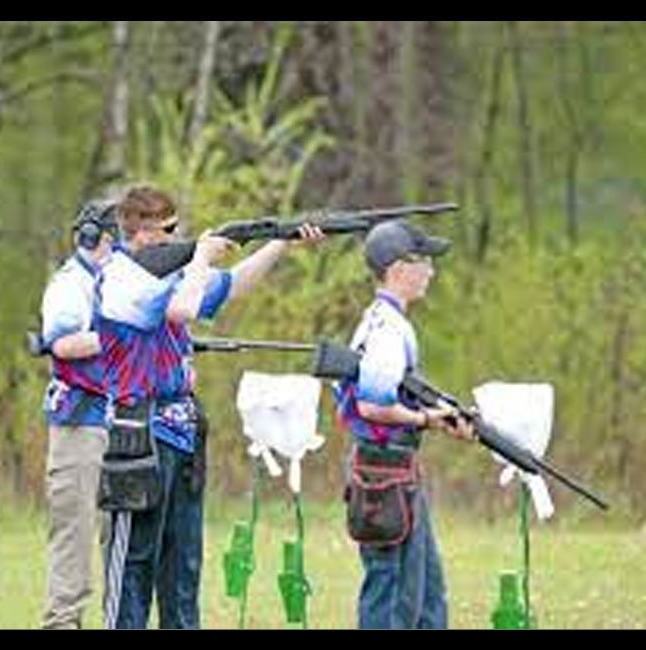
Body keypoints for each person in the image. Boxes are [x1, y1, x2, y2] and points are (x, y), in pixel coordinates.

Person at [97, 184, 323, 629]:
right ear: (140, 233)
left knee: (183, 569)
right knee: (133, 571)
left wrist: (280, 241)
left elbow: (233, 285)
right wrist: (199, 257)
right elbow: (183, 309)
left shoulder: (170, 274)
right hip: (139, 437)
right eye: (169, 229)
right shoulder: (121, 278)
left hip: (181, 436)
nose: (178, 235)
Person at [332, 219, 474, 629]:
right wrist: (428, 419)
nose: (431, 271)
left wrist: (440, 415)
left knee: (426, 593)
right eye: (424, 262)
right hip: (386, 472)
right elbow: (375, 406)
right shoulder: (389, 330)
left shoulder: (380, 320)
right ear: (398, 269)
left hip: (393, 469)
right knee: (393, 594)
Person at [38, 201, 120, 629]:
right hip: (78, 422)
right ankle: (62, 623)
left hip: (114, 419)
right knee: (74, 533)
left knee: (117, 534)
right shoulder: (71, 284)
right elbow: (64, 345)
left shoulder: (111, 281)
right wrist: (121, 334)